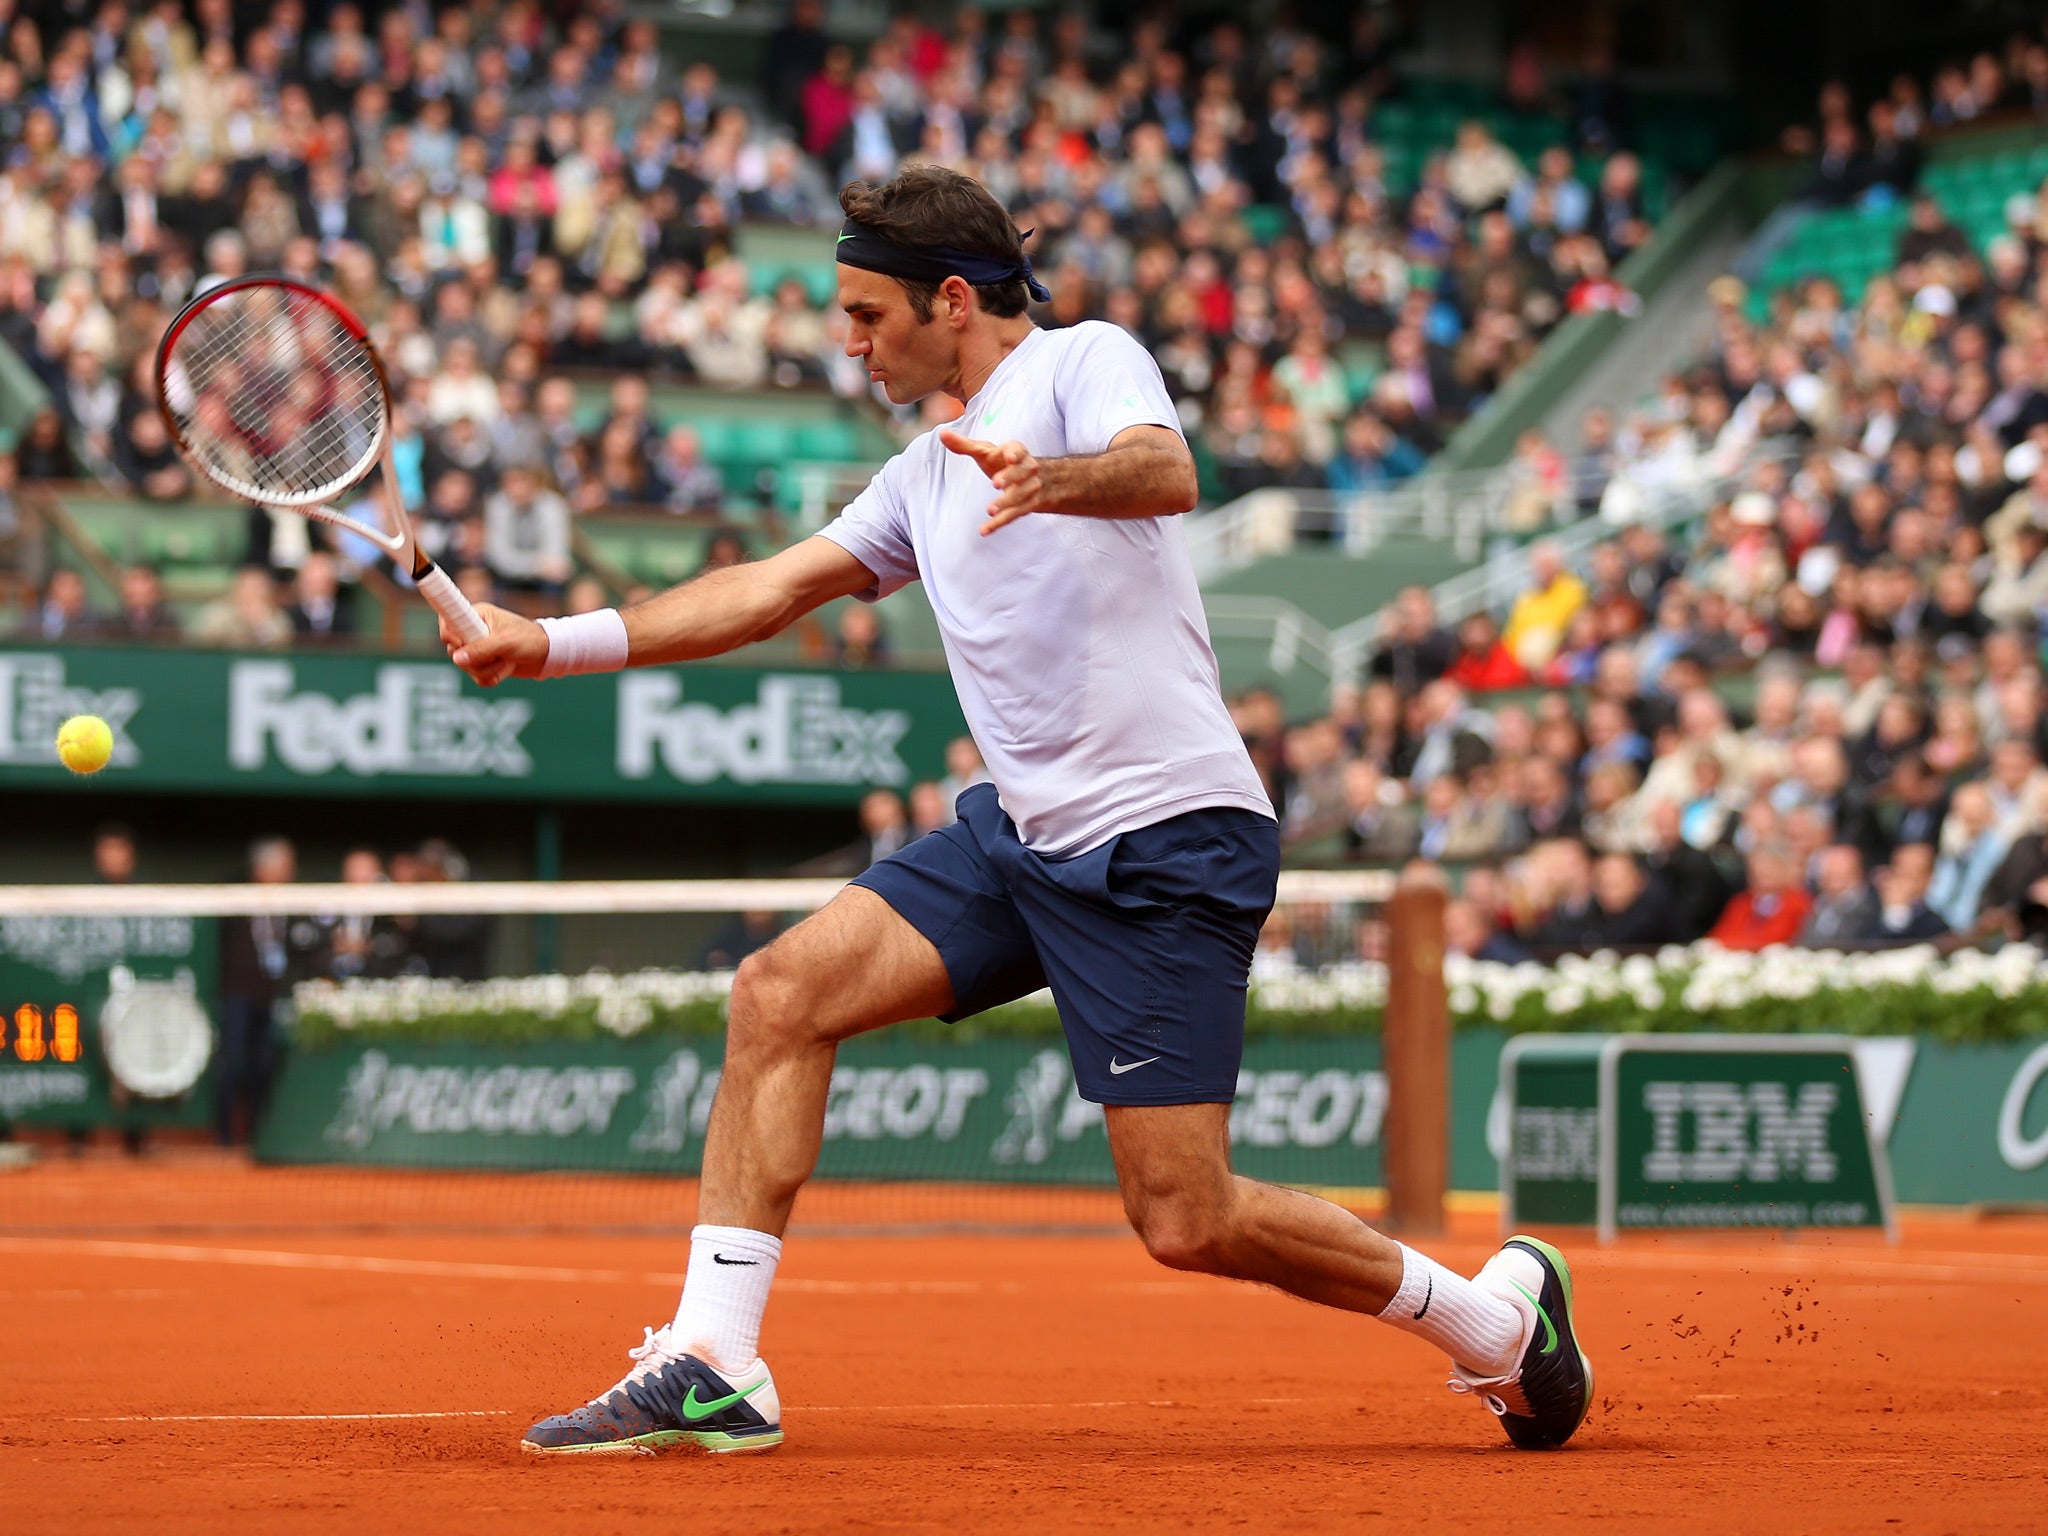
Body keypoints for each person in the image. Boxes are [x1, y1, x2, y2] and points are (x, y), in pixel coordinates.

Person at [444, 165, 1589, 1459]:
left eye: (869, 314)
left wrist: (1050, 479)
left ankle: (1497, 1326)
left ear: (950, 300)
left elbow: (1166, 468)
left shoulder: (1084, 362)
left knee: (1186, 1219)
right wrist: (546, 642)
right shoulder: (923, 473)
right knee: (778, 992)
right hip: (1020, 837)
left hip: (1168, 843)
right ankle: (716, 1359)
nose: (849, 339)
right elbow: (765, 591)